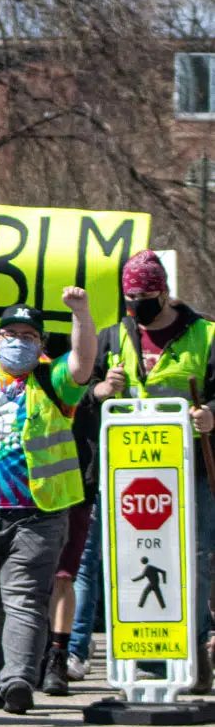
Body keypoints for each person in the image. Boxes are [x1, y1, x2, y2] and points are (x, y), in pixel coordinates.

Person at [0, 282, 96, 713]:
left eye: (29, 336)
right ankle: (4, 676)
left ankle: (18, 678)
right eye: (11, 335)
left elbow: (83, 361)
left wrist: (81, 314)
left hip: (37, 514)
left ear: (41, 343)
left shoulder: (52, 380)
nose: (19, 343)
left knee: (23, 598)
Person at [91, 249, 215, 689]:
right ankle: (152, 653)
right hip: (131, 472)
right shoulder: (114, 335)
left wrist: (211, 414)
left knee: (195, 559)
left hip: (191, 470)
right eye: (129, 298)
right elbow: (88, 391)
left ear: (164, 293)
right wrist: (104, 389)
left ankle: (197, 649)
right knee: (136, 558)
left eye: (143, 296)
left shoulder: (205, 335)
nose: (135, 305)